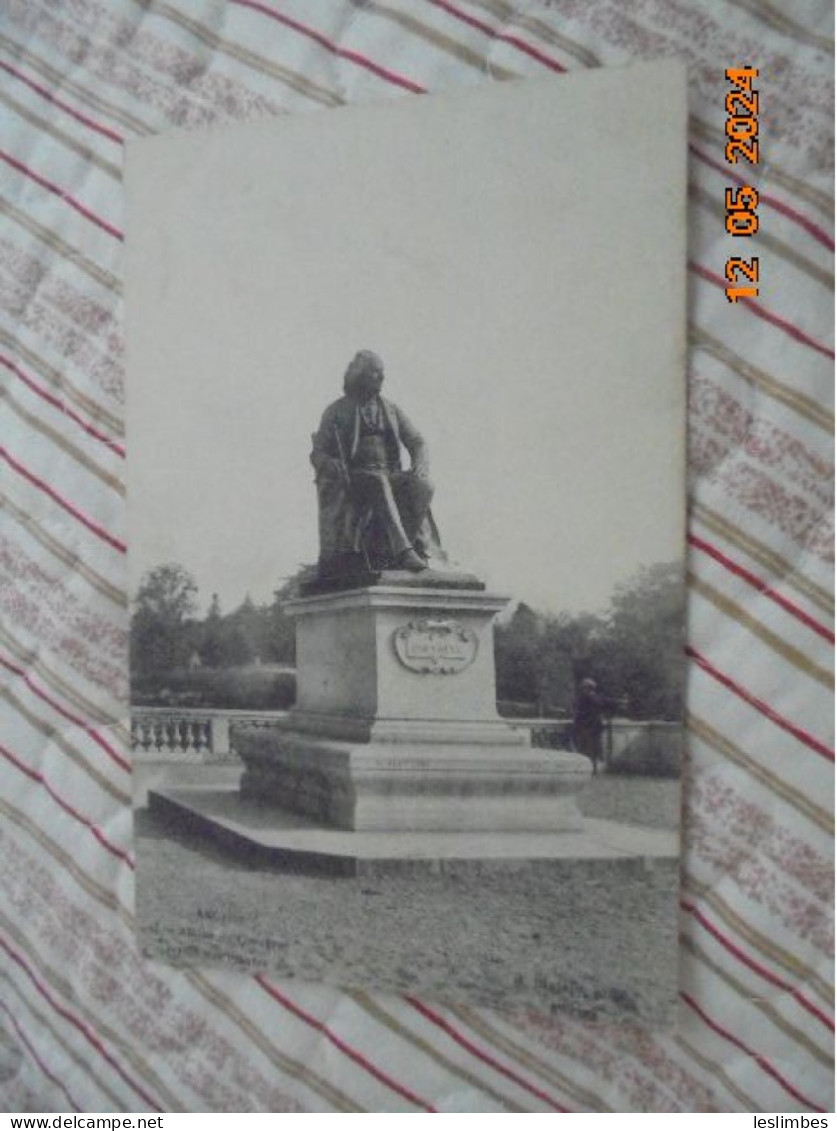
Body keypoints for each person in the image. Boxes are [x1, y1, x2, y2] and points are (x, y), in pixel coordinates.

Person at [310, 351, 444, 580]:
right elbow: (317, 453)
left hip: (388, 473)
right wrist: (330, 463)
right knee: (377, 480)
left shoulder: (390, 409)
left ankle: (393, 550)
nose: (381, 377)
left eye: (382, 373)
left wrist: (420, 464)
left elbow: (417, 441)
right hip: (353, 478)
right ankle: (403, 551)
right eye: (375, 372)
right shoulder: (336, 411)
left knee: (425, 486)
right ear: (359, 375)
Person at [572, 678, 623, 776]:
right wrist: (609, 715)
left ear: (588, 688)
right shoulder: (598, 698)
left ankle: (590, 770)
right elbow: (613, 704)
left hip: (585, 728)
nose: (582, 690)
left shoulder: (584, 699)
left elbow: (578, 714)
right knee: (593, 750)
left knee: (585, 750)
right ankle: (594, 770)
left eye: (584, 687)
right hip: (594, 727)